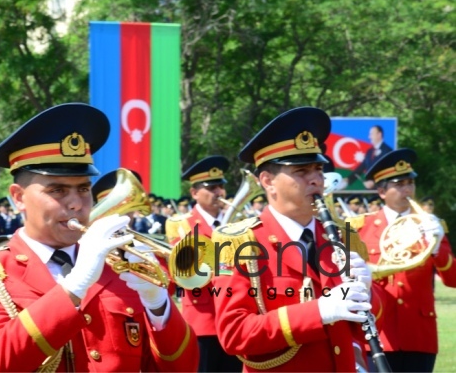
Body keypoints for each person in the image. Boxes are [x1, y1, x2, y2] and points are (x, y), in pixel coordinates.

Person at [0, 103, 198, 372]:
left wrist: (158, 306)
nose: (76, 204)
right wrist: (75, 287)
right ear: (18, 197)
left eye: (83, 189)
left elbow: (182, 367)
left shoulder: (119, 266)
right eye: (57, 191)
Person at [213, 107, 379, 371]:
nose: (316, 179)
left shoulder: (340, 237)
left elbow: (364, 317)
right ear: (267, 181)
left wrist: (369, 292)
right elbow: (234, 333)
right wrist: (319, 312)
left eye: (318, 169)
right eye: (301, 172)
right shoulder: (238, 243)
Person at [353, 148, 456, 372]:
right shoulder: (361, 228)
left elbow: (452, 279)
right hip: (378, 332)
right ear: (381, 191)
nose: (407, 189)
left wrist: (437, 248)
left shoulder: (429, 225)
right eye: (399, 184)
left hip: (418, 335)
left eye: (410, 182)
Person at [165, 155, 241, 372]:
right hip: (203, 319)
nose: (219, 192)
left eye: (220, 187)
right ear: (194, 193)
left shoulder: (235, 223)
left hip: (235, 316)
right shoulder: (181, 225)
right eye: (212, 187)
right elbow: (186, 273)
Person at [341, 125, 393, 189]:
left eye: (371, 134)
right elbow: (361, 167)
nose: (369, 137)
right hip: (369, 191)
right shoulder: (369, 151)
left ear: (379, 134)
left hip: (382, 189)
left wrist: (374, 182)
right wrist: (348, 179)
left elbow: (388, 170)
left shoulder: (388, 151)